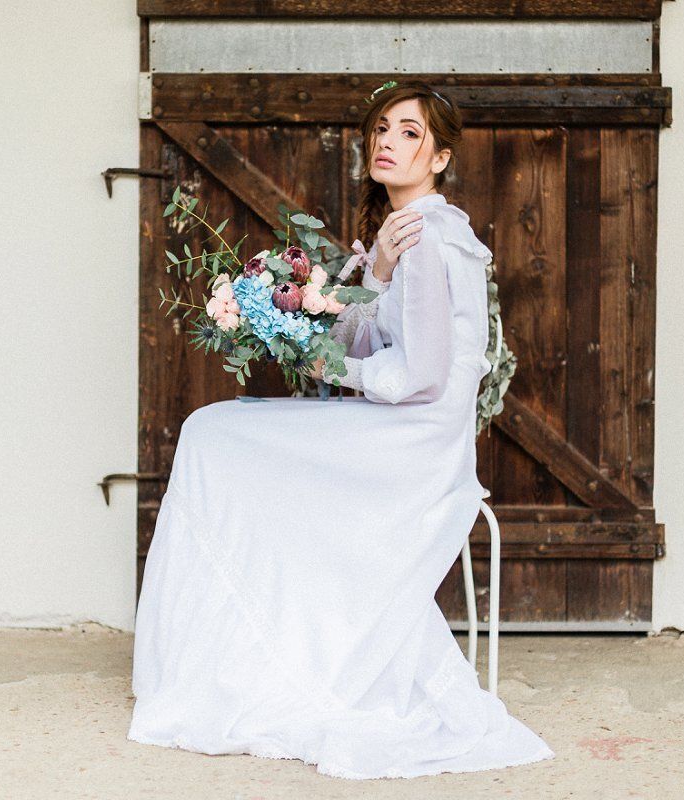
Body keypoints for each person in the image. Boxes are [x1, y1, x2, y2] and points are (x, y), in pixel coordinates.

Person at [127, 81, 556, 780]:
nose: (388, 142)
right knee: (220, 433)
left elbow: (415, 375)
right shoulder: (403, 236)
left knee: (212, 435)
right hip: (400, 429)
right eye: (382, 129)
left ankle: (239, 664)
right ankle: (249, 653)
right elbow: (368, 344)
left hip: (410, 443)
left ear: (441, 156)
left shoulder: (428, 234)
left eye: (411, 133)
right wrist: (373, 271)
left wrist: (323, 357)